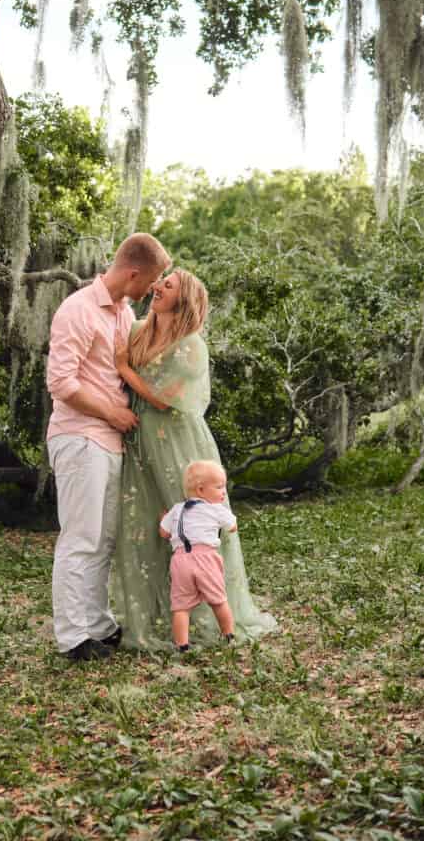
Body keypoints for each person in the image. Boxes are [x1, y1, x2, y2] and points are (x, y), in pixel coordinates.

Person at [112, 267, 277, 650]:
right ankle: (156, 614)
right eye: (159, 282)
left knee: (193, 520)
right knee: (147, 524)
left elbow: (159, 396)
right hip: (140, 441)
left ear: (183, 299)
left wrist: (123, 366)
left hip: (179, 442)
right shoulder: (138, 330)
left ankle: (213, 615)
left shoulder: (190, 345)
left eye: (167, 286)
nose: (157, 287)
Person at [46, 232, 171, 661]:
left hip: (109, 441)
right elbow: (61, 382)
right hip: (79, 436)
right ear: (133, 272)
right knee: (80, 536)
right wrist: (112, 414)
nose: (153, 289)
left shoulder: (122, 312)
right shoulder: (78, 310)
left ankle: (98, 625)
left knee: (104, 539)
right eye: (153, 280)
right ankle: (72, 635)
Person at [159, 460, 237, 652]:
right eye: (219, 487)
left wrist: (163, 518)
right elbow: (232, 527)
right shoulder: (216, 509)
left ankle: (182, 645)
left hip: (180, 560)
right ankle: (229, 635)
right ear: (201, 490)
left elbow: (164, 533)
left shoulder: (177, 509)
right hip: (206, 558)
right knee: (218, 600)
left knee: (181, 607)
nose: (223, 492)